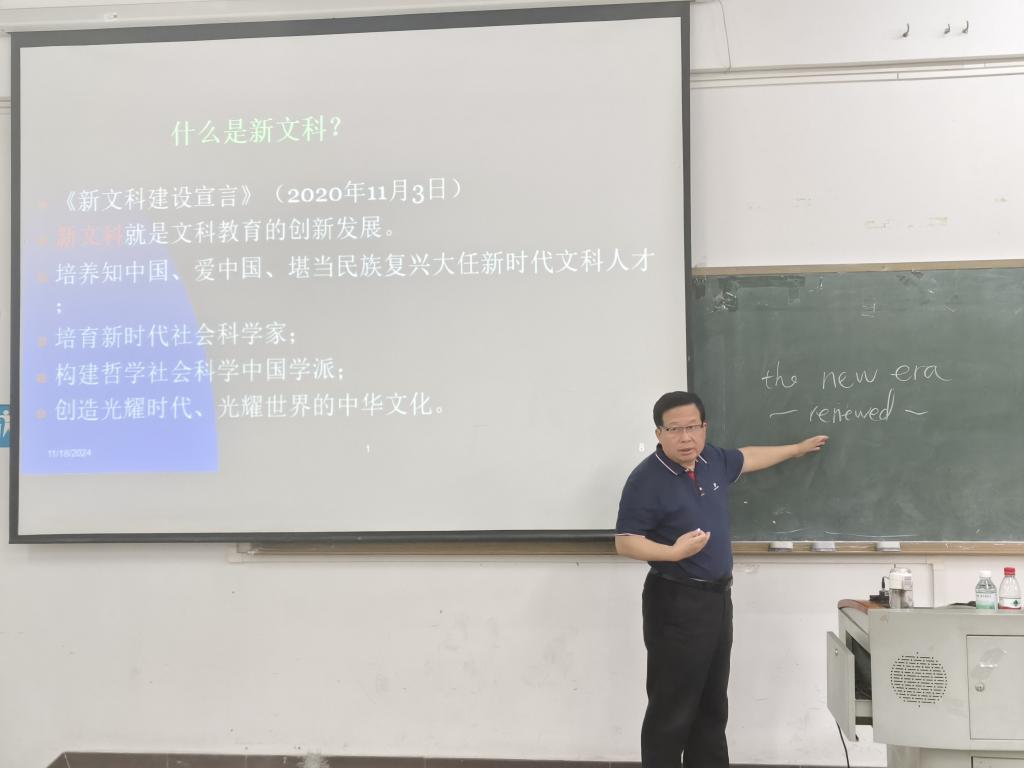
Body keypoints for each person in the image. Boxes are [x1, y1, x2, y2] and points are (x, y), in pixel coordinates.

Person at [615, 390, 827, 768]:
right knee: (672, 708)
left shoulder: (711, 459)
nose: (686, 438)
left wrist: (796, 449)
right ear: (659, 433)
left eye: (693, 427)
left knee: (713, 704)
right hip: (675, 602)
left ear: (704, 427)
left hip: (717, 600)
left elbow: (749, 457)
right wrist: (673, 552)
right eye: (674, 429)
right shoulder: (645, 480)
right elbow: (625, 542)